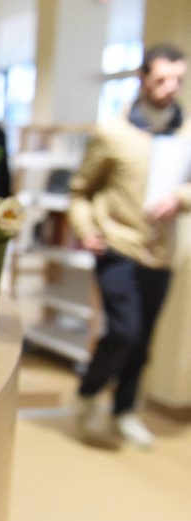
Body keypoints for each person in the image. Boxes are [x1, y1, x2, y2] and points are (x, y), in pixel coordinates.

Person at [70, 43, 190, 448]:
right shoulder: (112, 132)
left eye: (177, 80)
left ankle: (124, 410)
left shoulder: (186, 133)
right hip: (117, 245)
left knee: (143, 340)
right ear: (142, 79)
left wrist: (180, 199)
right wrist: (85, 228)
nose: (170, 88)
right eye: (161, 79)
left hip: (163, 252)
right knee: (124, 330)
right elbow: (81, 190)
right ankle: (88, 393)